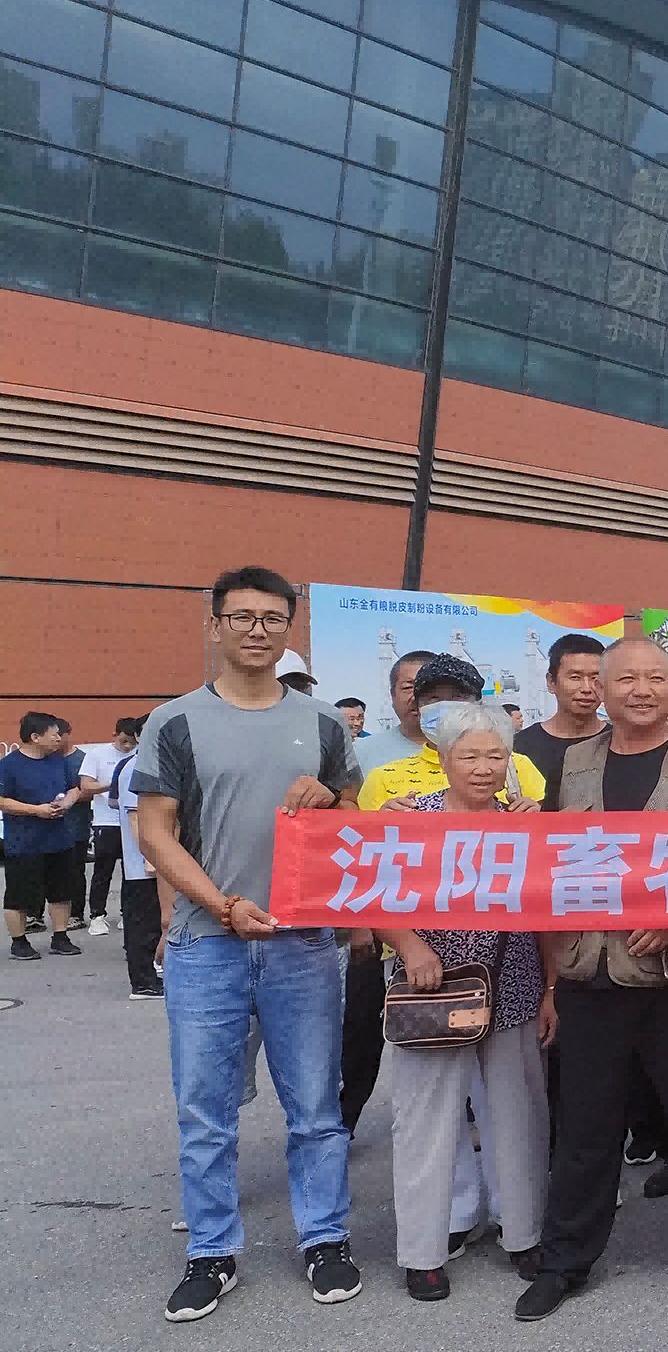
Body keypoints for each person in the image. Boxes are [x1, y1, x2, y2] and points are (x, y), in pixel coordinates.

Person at [133, 566, 366, 1322]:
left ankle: (325, 1238)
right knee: (205, 1110)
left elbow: (353, 822)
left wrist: (329, 800)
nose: (257, 630)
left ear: (289, 629)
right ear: (214, 625)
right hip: (208, 942)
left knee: (317, 1106)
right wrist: (222, 906)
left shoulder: (324, 723)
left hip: (303, 944)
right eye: (242, 616)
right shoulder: (175, 720)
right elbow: (155, 831)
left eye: (272, 618)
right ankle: (212, 1250)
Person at [517, 637, 668, 1321]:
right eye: (627, 678)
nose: (642, 690)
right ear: (601, 687)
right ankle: (564, 1260)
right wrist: (550, 982)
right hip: (587, 976)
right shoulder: (571, 764)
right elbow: (547, 867)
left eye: (656, 677)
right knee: (584, 1129)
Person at [375, 702, 554, 1302]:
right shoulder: (411, 819)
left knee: (519, 1115)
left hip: (514, 985)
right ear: (443, 759)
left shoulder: (524, 822)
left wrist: (551, 989)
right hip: (430, 990)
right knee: (426, 1122)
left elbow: (549, 912)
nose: (483, 768)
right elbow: (374, 896)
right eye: (469, 756)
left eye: (495, 756)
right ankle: (422, 1252)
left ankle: (524, 1233)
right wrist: (410, 945)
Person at [357, 655, 547, 810]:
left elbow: (543, 836)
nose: (447, 707)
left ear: (478, 704)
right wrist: (382, 824)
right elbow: (361, 838)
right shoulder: (382, 778)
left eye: (458, 697)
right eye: (434, 698)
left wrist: (536, 818)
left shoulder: (517, 766)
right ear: (418, 706)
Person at [2, 711, 99, 960]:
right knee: (19, 896)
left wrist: (66, 803)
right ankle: (19, 942)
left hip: (60, 839)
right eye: (54, 734)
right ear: (35, 737)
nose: (59, 738)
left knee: (61, 892)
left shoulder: (58, 761)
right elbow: (2, 801)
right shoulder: (8, 765)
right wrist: (36, 810)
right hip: (23, 843)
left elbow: (74, 789)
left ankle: (60, 936)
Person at [513, 633, 607, 810]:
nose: (587, 688)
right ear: (551, 682)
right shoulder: (519, 746)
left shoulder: (620, 743)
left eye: (595, 678)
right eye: (575, 677)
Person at [109, 722, 166, 999]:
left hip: (155, 862)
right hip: (143, 866)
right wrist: (150, 858)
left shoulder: (151, 763)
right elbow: (135, 817)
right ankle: (143, 983)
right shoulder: (137, 767)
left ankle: (151, 976)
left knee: (151, 923)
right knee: (143, 925)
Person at [77, 716, 142, 937]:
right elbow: (86, 786)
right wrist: (114, 784)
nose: (128, 747)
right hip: (106, 821)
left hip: (133, 820)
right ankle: (97, 915)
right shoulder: (97, 754)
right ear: (114, 735)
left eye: (132, 742)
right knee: (102, 871)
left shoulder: (139, 755)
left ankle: (127, 913)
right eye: (123, 741)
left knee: (132, 871)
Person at [359, 650, 437, 773]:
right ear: (392, 695)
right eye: (408, 687)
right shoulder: (361, 752)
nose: (417, 696)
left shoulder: (466, 748)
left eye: (427, 686)